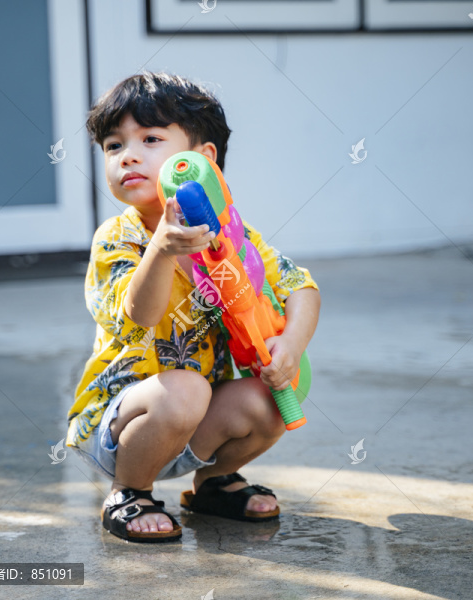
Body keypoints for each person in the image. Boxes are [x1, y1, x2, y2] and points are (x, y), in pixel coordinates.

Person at [66, 72, 321, 542]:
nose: (129, 156)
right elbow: (136, 316)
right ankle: (130, 491)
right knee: (184, 390)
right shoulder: (119, 238)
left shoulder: (233, 236)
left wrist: (291, 343)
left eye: (150, 138)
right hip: (126, 422)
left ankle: (213, 484)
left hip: (199, 421)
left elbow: (300, 286)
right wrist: (162, 251)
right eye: (113, 146)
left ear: (202, 160)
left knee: (268, 403)